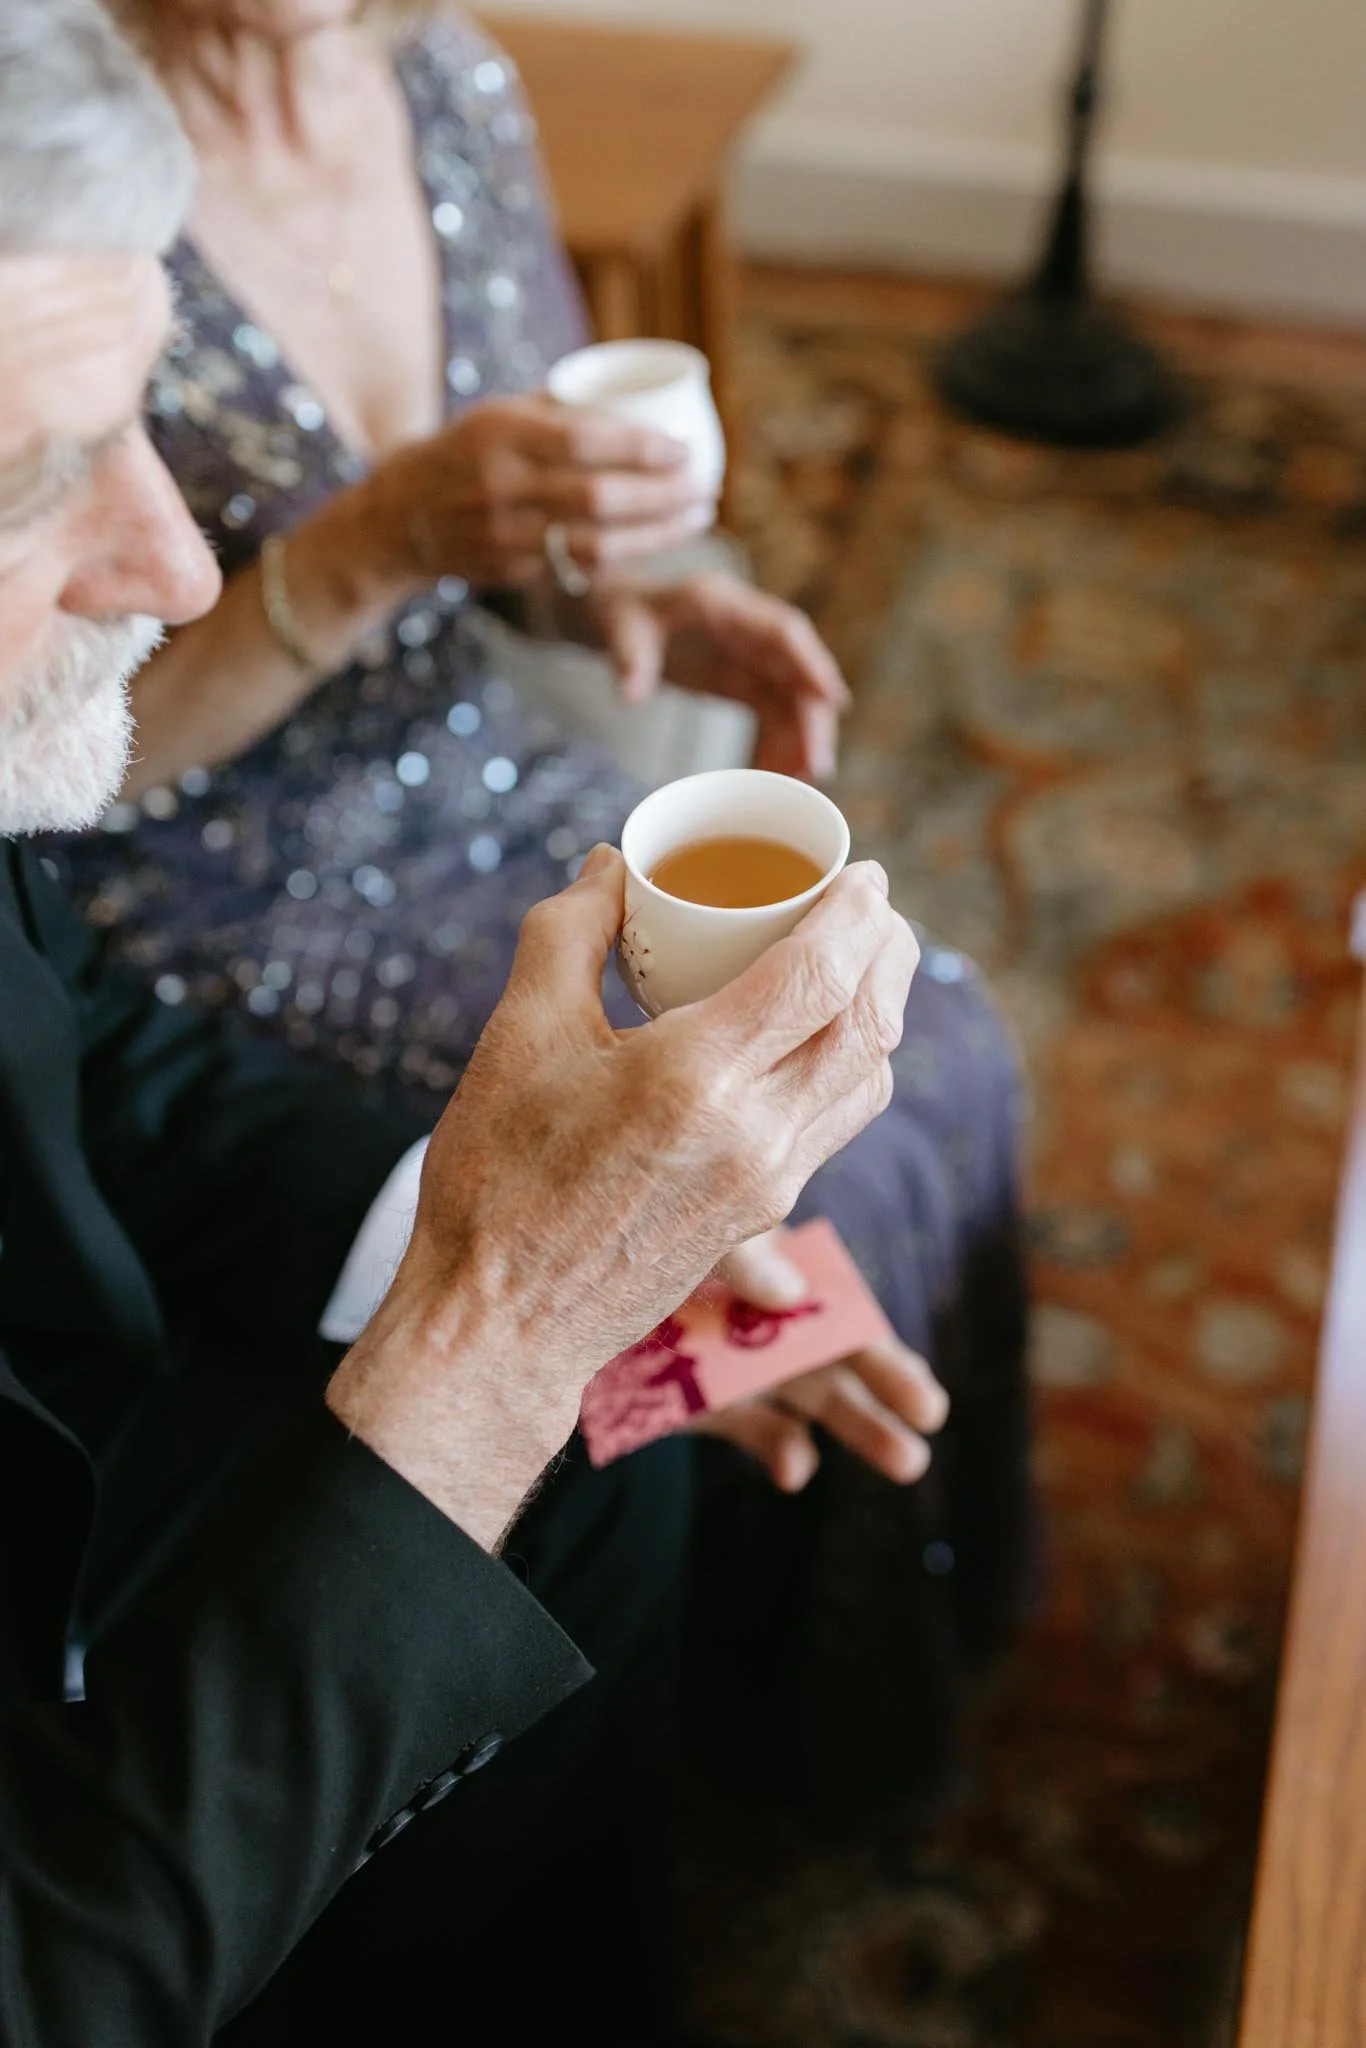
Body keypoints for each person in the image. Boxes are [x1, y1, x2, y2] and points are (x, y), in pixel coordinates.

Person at [0, 2, 931, 2041]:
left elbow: (79, 1053)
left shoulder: (442, 89)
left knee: (643, 1411)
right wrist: (500, 1316)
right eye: (42, 483)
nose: (166, 554)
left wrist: (514, 1233)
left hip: (140, 1248)